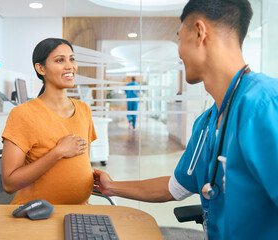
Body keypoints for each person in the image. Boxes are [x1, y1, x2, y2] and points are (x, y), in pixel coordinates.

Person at [93, 0, 278, 239]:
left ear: (200, 33)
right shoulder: (206, 123)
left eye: (179, 38)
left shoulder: (265, 106)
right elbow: (175, 187)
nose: (179, 52)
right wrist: (111, 187)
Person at [1, 38, 97, 205]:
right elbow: (9, 184)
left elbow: (81, 163)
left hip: (80, 210)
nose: (70, 66)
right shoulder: (23, 114)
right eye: (60, 60)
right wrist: (57, 152)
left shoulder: (84, 110)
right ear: (41, 68)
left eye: (72, 59)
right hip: (38, 213)